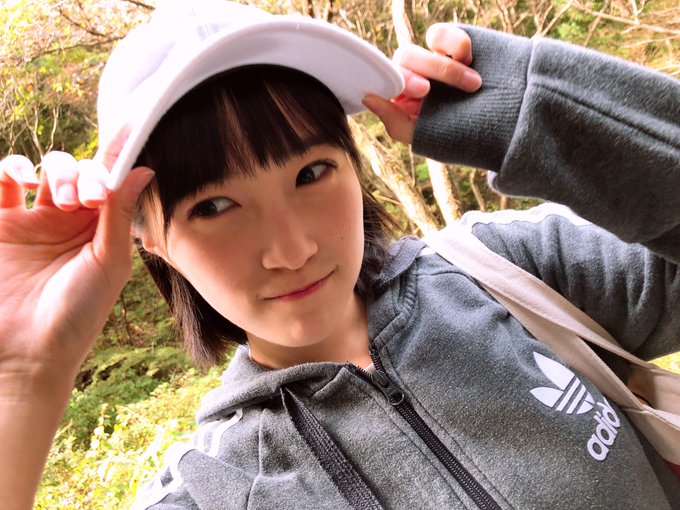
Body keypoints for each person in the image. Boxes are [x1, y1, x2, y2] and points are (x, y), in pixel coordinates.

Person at [1, 0, 679, 508]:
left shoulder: (509, 271)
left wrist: (537, 112)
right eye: (214, 206)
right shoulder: (216, 488)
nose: (291, 249)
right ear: (148, 238)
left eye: (311, 173)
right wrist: (24, 375)